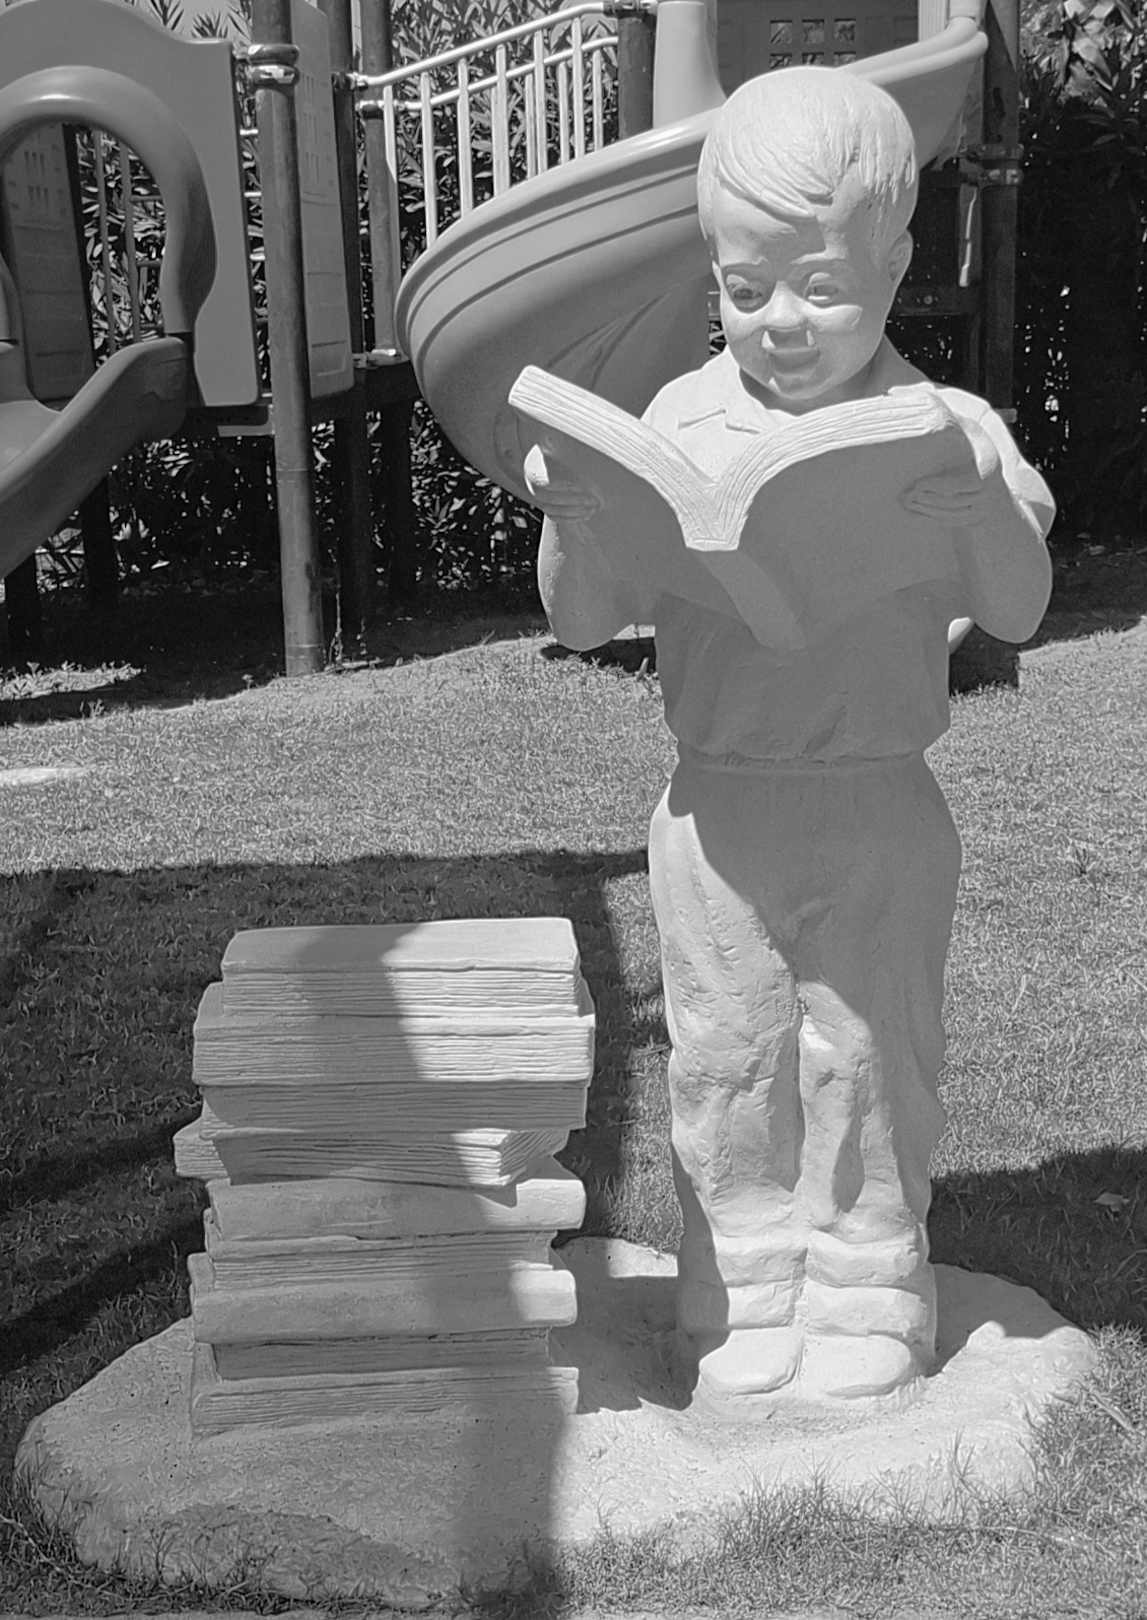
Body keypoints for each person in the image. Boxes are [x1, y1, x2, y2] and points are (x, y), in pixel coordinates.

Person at [526, 66, 1054, 1408]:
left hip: (879, 799)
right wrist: (578, 519)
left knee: (873, 1051)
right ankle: (743, 1277)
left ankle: (872, 1277)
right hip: (720, 807)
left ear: (896, 267)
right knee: (726, 1055)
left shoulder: (944, 433)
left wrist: (977, 509)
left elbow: (1019, 607)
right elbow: (582, 618)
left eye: (821, 289)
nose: (781, 322)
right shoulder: (682, 424)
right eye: (745, 287)